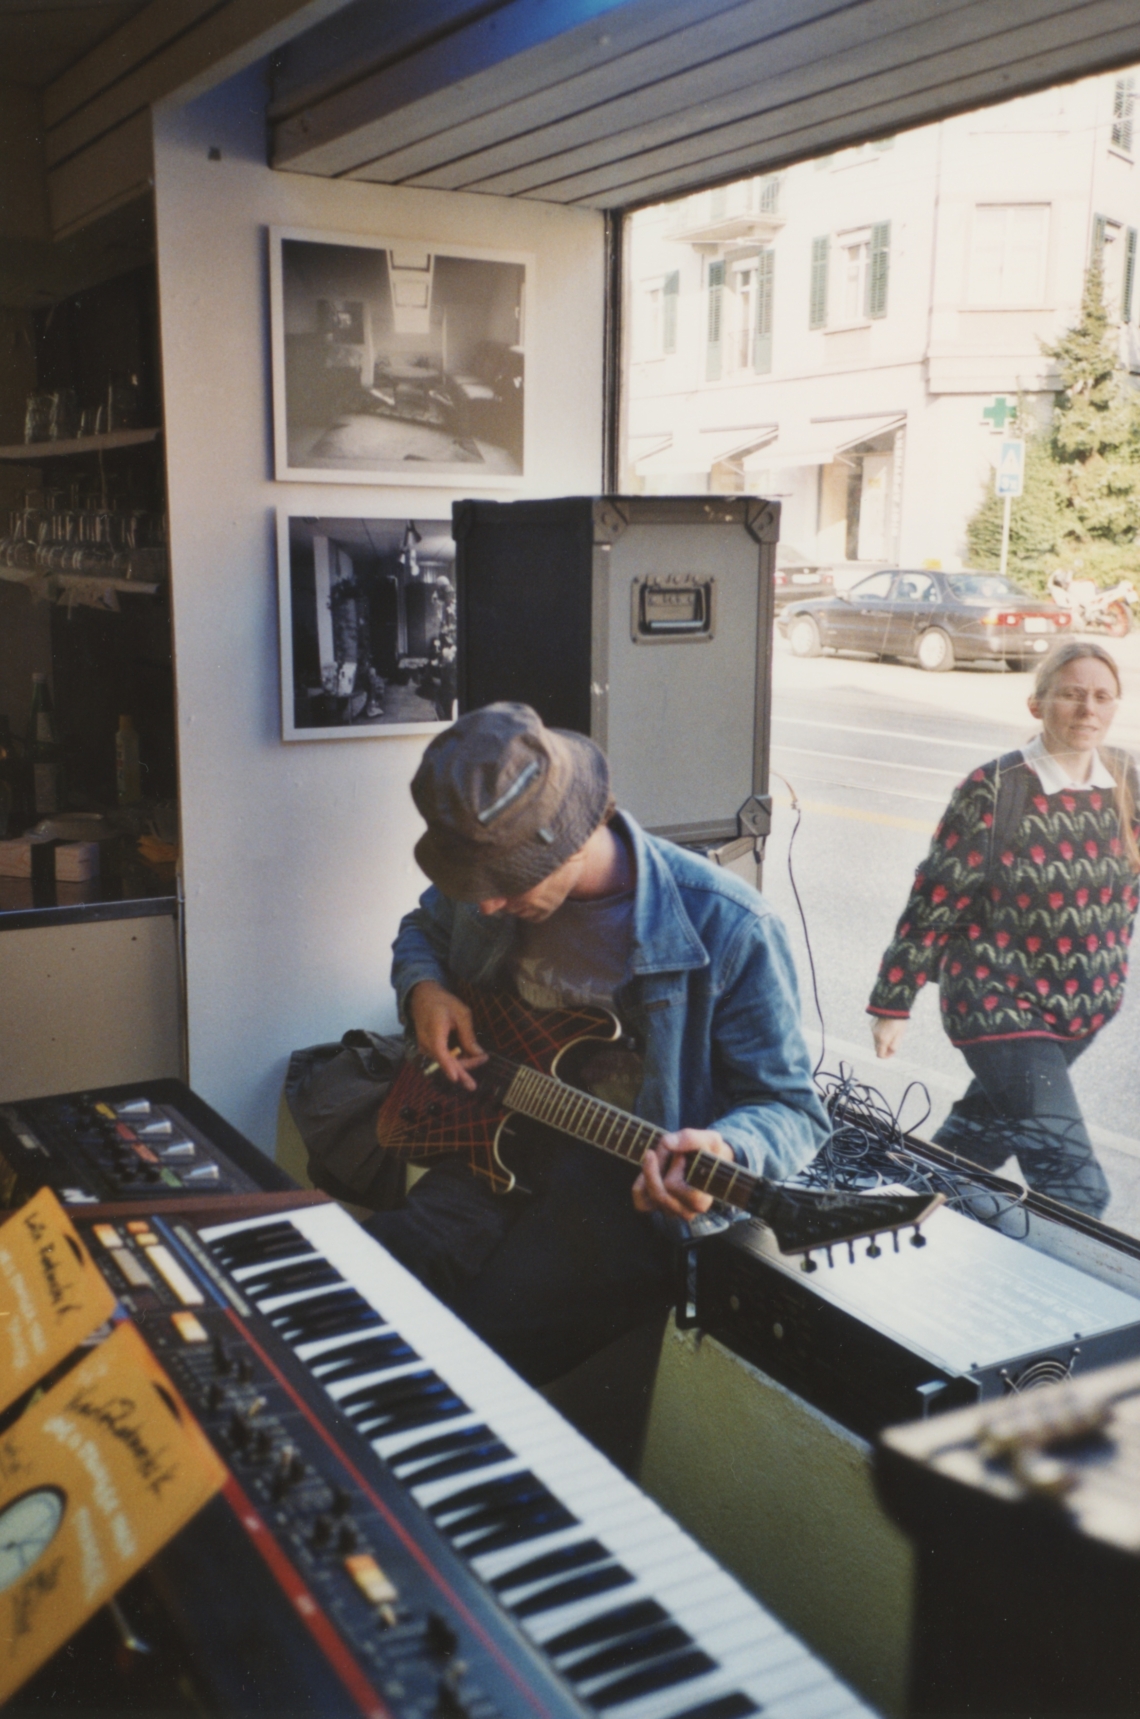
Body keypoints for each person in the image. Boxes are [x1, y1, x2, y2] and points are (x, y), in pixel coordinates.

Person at [367, 701, 828, 1386]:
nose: (485, 905)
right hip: (490, 1150)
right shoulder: (483, 880)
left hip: (623, 1199)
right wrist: (422, 989)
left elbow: (793, 1111)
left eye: (505, 884)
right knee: (364, 1290)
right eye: (476, 886)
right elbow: (423, 928)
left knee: (468, 1365)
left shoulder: (731, 926)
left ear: (575, 833)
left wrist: (725, 1149)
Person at [868, 640, 1140, 1218]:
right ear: (1037, 704)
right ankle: (1077, 1303)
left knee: (968, 1148)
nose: (1088, 709)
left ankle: (885, 1217)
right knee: (1075, 1187)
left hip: (1080, 1008)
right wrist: (894, 1001)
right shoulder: (995, 788)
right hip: (997, 1007)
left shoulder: (1124, 777)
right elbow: (935, 898)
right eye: (1071, 695)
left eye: (1101, 697)